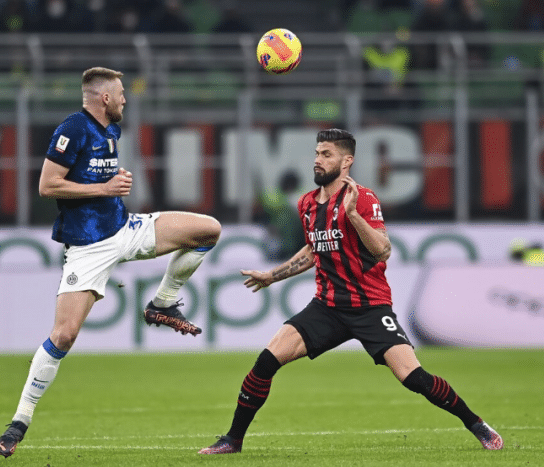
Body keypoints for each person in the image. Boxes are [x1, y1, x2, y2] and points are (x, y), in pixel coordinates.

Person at [198, 128, 503, 455]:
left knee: (413, 377)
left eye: (326, 154)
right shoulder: (307, 203)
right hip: (327, 307)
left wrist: (354, 215)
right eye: (317, 153)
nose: (317, 160)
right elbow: (314, 249)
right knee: (266, 361)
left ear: (347, 161)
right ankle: (233, 440)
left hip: (370, 307)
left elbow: (383, 250)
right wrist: (273, 276)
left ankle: (476, 424)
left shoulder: (364, 199)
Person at [0, 67, 221, 458]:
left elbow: (96, 181)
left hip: (124, 228)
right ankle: (20, 421)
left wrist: (110, 188)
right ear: (104, 98)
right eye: (120, 94)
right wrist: (105, 187)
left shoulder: (111, 129)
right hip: (88, 247)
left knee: (208, 230)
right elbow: (47, 185)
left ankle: (163, 303)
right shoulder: (73, 129)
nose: (125, 100)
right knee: (64, 336)